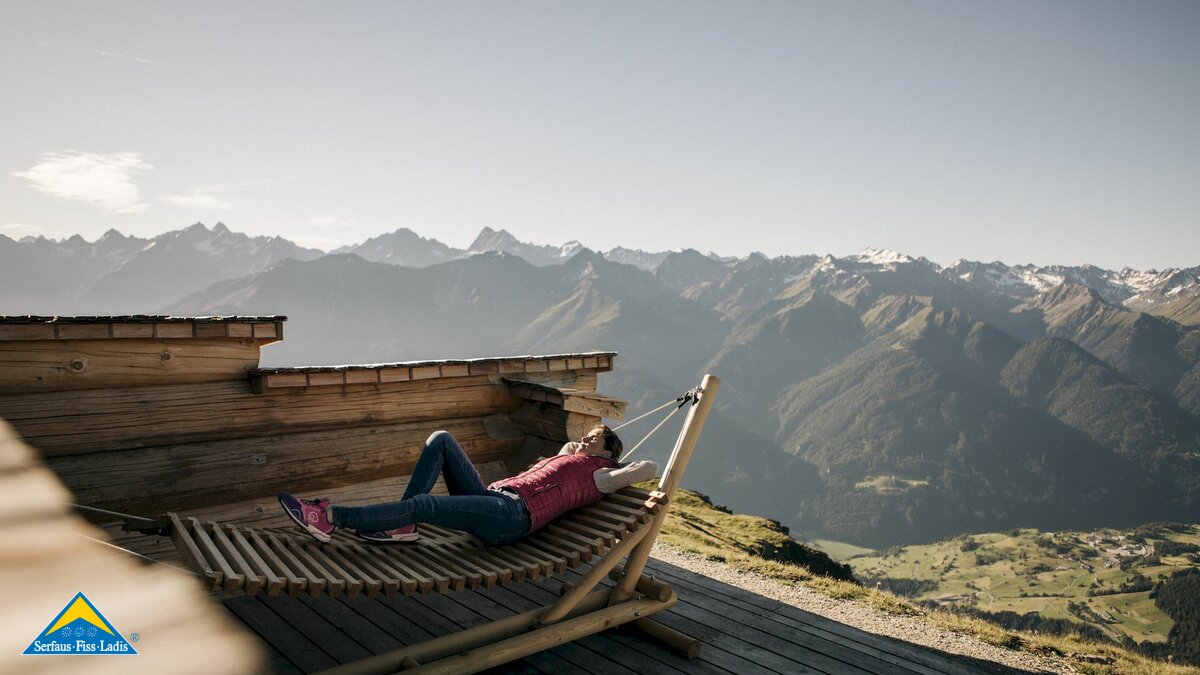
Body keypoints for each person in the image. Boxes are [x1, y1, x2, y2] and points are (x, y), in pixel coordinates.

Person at [279, 425, 657, 546]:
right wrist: (570, 451)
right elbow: (552, 473)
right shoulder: (576, 461)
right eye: (587, 435)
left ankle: (329, 518)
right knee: (441, 439)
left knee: (426, 504)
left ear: (608, 454)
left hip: (512, 517)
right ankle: (402, 524)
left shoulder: (601, 475)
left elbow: (649, 467)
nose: (586, 440)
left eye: (595, 439)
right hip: (493, 497)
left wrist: (605, 463)